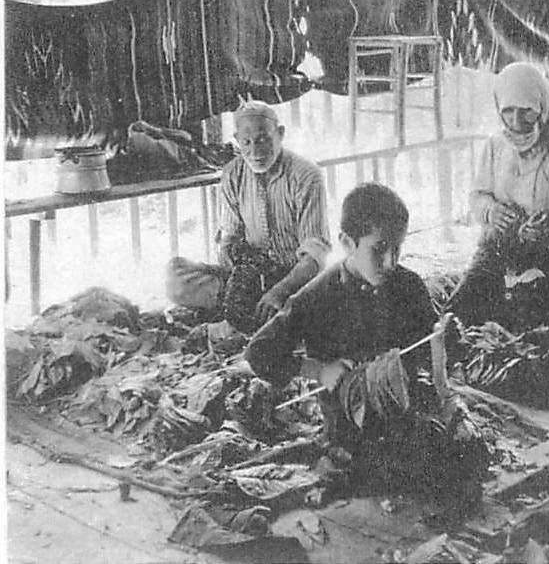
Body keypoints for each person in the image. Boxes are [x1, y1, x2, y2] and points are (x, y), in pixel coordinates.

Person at [246, 182, 489, 495]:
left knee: (471, 454)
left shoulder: (408, 284)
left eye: (397, 249)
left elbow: (431, 352)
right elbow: (259, 352)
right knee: (416, 470)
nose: (390, 262)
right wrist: (319, 370)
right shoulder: (318, 296)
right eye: (379, 249)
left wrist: (446, 339)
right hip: (351, 426)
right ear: (347, 243)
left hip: (407, 407)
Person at [449, 62, 549, 332]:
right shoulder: (496, 145)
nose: (516, 122)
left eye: (527, 112)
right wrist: (491, 211)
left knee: (527, 325)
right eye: (508, 111)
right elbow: (478, 195)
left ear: (542, 106)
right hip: (503, 252)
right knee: (459, 313)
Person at [166, 100, 330, 332]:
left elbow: (315, 256)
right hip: (250, 274)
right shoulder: (233, 173)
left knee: (316, 298)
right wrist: (234, 268)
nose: (255, 151)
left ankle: (245, 310)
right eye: (247, 142)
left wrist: (278, 291)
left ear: (280, 134)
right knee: (176, 275)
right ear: (237, 140)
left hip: (292, 277)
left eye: (263, 140)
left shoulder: (305, 175)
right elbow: (230, 237)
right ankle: (246, 307)